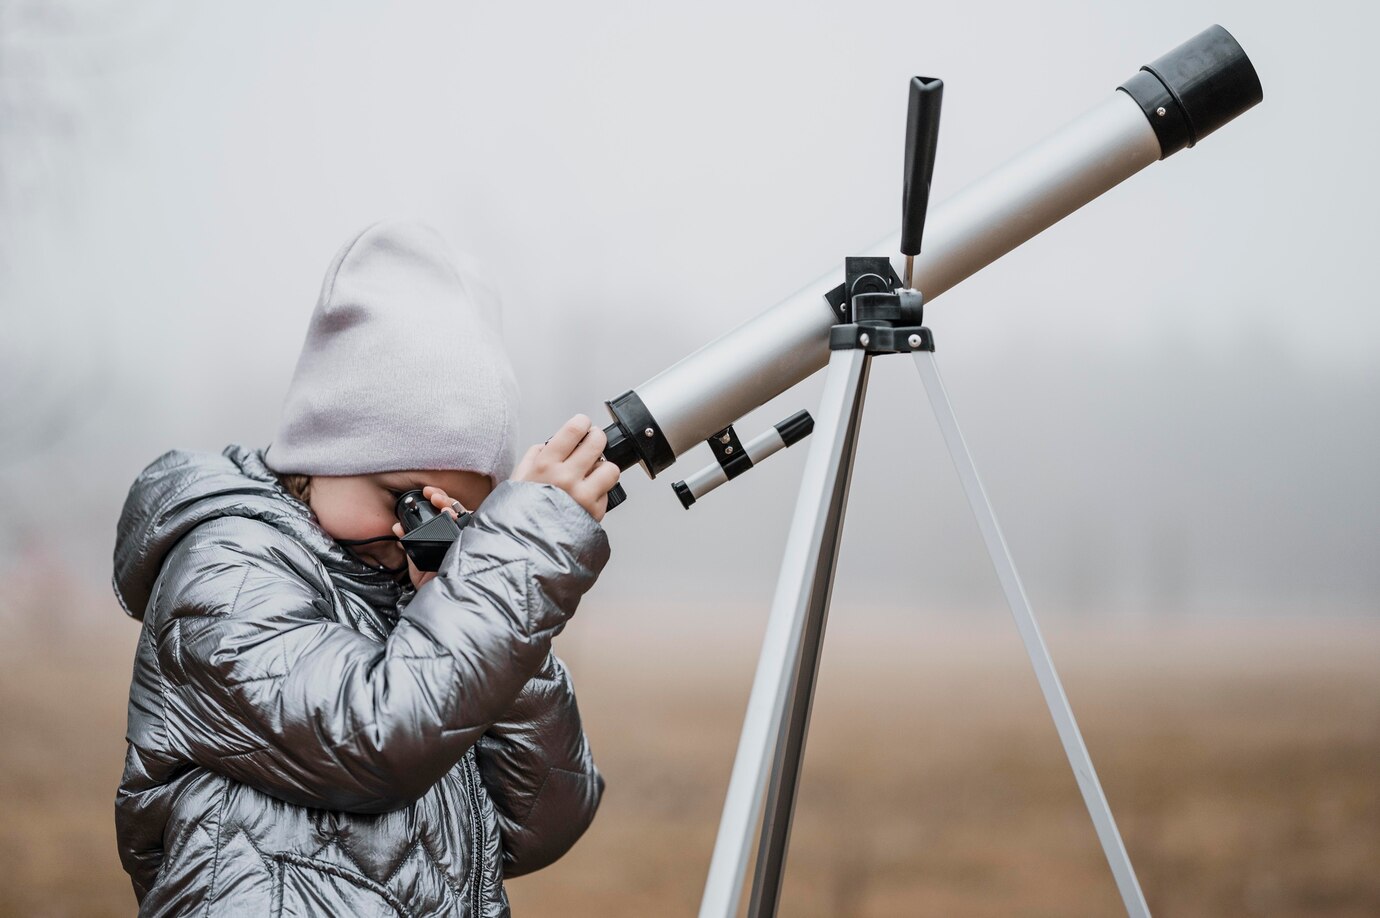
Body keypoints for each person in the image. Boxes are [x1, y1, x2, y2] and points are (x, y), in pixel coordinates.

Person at [111, 221, 620, 917]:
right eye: (406, 501)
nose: (415, 534)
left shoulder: (439, 605)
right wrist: (509, 565)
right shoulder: (224, 571)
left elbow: (543, 819)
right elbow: (375, 738)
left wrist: (475, 590)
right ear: (329, 448)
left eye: (454, 516)